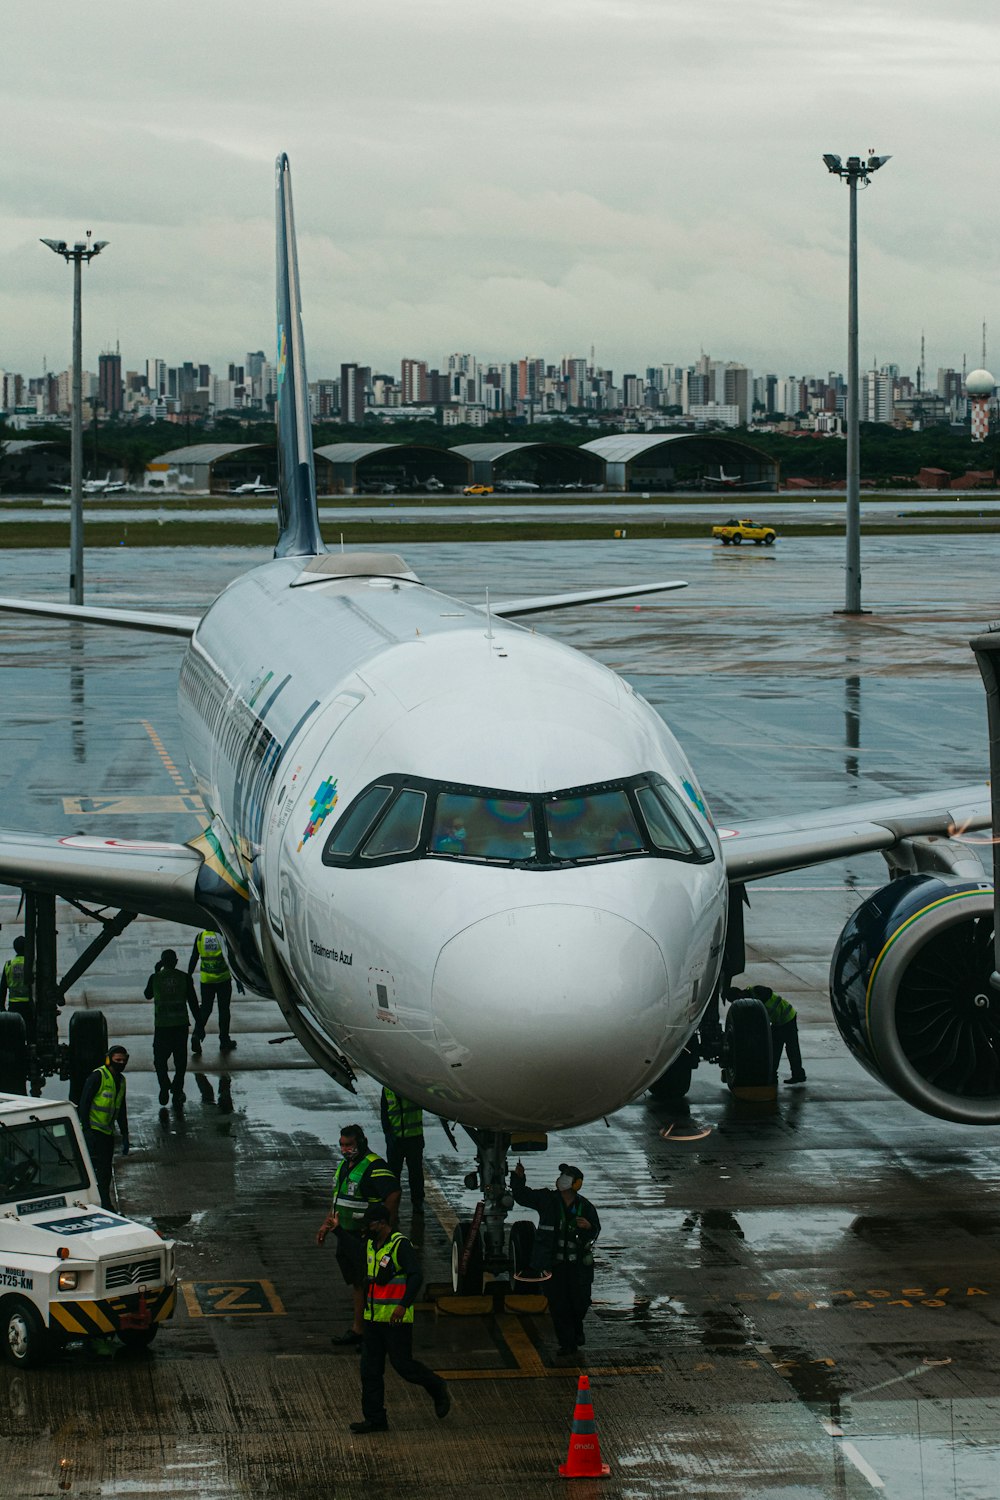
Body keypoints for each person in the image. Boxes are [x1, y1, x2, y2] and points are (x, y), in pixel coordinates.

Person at [348, 1203, 450, 1434]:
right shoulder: (372, 1246)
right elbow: (354, 1249)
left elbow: (416, 1276)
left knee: (403, 1365)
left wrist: (403, 1306)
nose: (367, 1229)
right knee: (370, 1370)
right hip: (373, 1319)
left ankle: (436, 1385)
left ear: (382, 1223)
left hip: (395, 1320)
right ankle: (375, 1419)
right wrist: (335, 1231)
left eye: (370, 1224)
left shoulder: (399, 1245)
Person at [316, 1123, 401, 1347]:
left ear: (361, 1143)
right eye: (342, 1145)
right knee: (358, 1284)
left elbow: (393, 1193)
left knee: (369, 1284)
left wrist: (385, 1227)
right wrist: (326, 1225)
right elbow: (338, 1198)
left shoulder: (373, 1166)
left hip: (364, 1238)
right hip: (345, 1235)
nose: (345, 1149)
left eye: (349, 1145)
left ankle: (372, 1335)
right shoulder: (346, 1166)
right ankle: (359, 1329)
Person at [510, 1161, 601, 1356]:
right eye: (561, 1176)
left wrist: (589, 1228)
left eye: (567, 1177)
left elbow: (595, 1231)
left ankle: (576, 1328)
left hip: (577, 1267)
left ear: (576, 1184)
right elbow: (522, 1196)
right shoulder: (547, 1200)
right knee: (559, 1305)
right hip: (554, 1265)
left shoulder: (585, 1207)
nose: (561, 1180)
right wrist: (518, 1179)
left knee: (580, 1302)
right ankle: (567, 1344)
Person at [143, 948, 199, 1107]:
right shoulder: (184, 978)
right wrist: (199, 1024)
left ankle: (164, 1086)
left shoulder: (155, 978)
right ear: (175, 962)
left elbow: (147, 995)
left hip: (162, 1027)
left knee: (159, 1061)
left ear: (162, 962)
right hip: (180, 1027)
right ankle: (177, 1089)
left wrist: (155, 971)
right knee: (180, 1061)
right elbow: (193, 1003)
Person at [77, 1044, 130, 1209]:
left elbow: (121, 1109)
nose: (120, 1063)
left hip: (107, 1132)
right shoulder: (98, 1076)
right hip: (94, 1131)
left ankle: (105, 1202)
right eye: (117, 1060)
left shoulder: (121, 1081)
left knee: (106, 1171)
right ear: (109, 1060)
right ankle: (97, 1202)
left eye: (123, 1060)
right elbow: (84, 1103)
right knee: (95, 1170)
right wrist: (86, 1129)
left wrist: (125, 1133)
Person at [187, 929, 238, 1054]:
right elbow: (230, 956)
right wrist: (238, 977)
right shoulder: (221, 936)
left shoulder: (200, 937)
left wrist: (188, 975)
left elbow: (194, 957)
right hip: (223, 979)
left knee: (205, 1009)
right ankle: (224, 1040)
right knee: (224, 1010)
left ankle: (196, 1035)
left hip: (206, 980)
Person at [747, 983, 807, 1086]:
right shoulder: (750, 1000)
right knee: (776, 1048)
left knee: (790, 1048)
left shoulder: (756, 992)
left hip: (787, 1017)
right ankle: (775, 1075)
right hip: (778, 1021)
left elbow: (768, 992)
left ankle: (796, 1075)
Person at [380, 1087, 424, 1210]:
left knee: (416, 1173)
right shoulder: (387, 1089)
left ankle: (418, 1201)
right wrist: (388, 1134)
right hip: (395, 1139)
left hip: (414, 1137)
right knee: (393, 1174)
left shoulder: (412, 1086)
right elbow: (384, 1112)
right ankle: (393, 1203)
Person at [0, 935, 34, 1041]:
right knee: (31, 1035)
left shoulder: (9, 965)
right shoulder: (32, 964)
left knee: (14, 1036)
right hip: (30, 1006)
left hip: (14, 1006)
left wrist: (2, 1007)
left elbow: (3, 988)